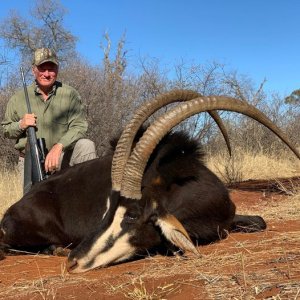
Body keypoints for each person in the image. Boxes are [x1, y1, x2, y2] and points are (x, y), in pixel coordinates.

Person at [1, 48, 97, 193]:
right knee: (33, 207)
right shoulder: (18, 98)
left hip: (61, 157)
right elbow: (6, 130)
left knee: (86, 145)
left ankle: (89, 199)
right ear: (34, 70)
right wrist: (21, 124)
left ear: (57, 70)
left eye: (51, 69)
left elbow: (79, 126)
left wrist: (59, 147)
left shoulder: (70, 94)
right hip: (30, 160)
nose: (46, 74)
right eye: (42, 69)